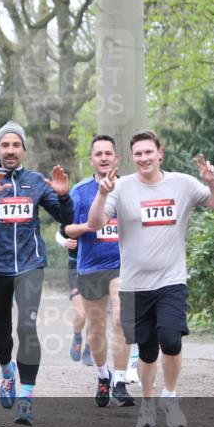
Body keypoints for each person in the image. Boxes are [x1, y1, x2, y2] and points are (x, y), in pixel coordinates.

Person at [87, 130, 214, 427]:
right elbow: (95, 223)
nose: (144, 158)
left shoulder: (182, 184)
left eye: (149, 152)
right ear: (132, 158)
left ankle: (171, 397)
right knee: (148, 350)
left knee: (171, 340)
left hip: (171, 280)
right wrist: (101, 193)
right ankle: (148, 404)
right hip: (135, 285)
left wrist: (211, 180)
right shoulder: (121, 187)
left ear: (160, 153)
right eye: (138, 154)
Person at [0, 121, 72, 425]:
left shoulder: (35, 181)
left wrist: (64, 196)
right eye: (4, 145)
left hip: (30, 265)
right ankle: (7, 375)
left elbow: (65, 220)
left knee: (27, 329)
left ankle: (27, 398)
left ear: (24, 150)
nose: (10, 150)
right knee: (2, 333)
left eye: (15, 145)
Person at [63, 135, 135, 407]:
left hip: (122, 265)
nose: (104, 158)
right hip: (91, 266)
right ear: (91, 159)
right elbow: (66, 229)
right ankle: (103, 376)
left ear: (117, 158)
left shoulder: (130, 187)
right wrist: (87, 228)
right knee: (96, 329)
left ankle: (119, 381)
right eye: (98, 154)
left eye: (108, 153)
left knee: (120, 319)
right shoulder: (80, 192)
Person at [55, 230, 89, 365]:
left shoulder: (105, 213)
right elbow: (59, 233)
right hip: (75, 267)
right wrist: (65, 242)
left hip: (98, 268)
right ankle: (77, 336)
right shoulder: (75, 212)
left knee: (95, 315)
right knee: (81, 314)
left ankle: (90, 349)